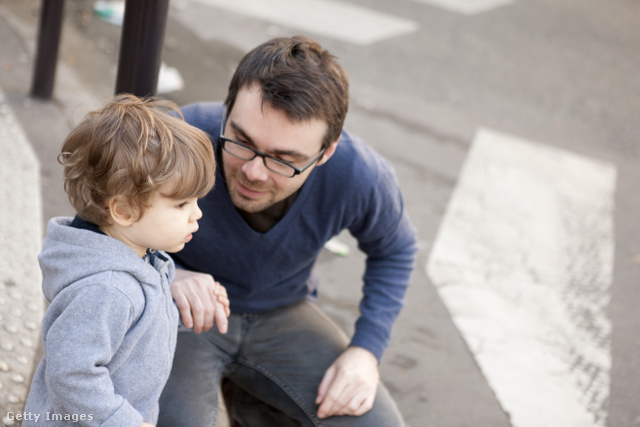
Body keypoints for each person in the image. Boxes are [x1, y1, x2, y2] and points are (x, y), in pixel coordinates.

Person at [158, 35, 417, 426]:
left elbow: (395, 249)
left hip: (282, 312)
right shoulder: (181, 135)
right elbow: (97, 233)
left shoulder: (359, 174)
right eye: (242, 141)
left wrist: (366, 350)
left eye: (285, 160)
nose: (253, 171)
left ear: (325, 153)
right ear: (227, 110)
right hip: (181, 310)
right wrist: (165, 274)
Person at [23, 94, 228, 427]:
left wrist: (175, 313)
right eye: (181, 205)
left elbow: (133, 330)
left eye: (196, 201)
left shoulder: (146, 257)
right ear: (124, 210)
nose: (198, 214)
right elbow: (71, 373)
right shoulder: (108, 289)